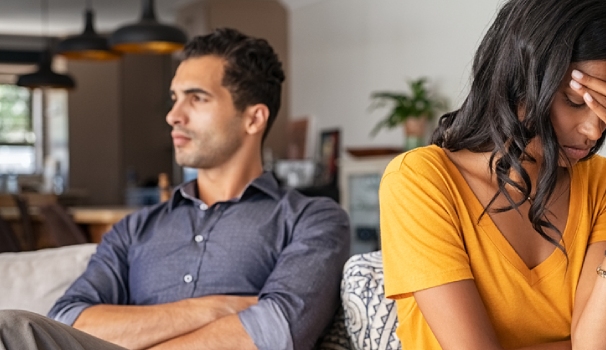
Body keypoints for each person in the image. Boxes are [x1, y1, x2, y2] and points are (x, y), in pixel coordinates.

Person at [0, 28, 350, 350]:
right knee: (12, 329)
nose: (173, 115)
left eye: (196, 99)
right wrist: (217, 307)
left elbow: (276, 329)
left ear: (253, 118)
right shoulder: (135, 229)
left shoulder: (313, 219)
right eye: (174, 97)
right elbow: (68, 321)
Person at [379, 0, 606, 349]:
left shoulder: (600, 183)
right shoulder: (419, 182)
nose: (594, 130)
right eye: (575, 102)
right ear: (520, 77)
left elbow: (597, 345)